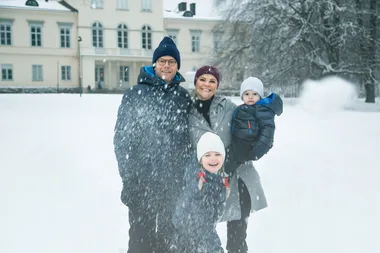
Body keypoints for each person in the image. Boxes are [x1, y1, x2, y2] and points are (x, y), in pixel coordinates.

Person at [113, 36, 192, 253]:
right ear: (155, 63)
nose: (167, 65)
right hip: (142, 184)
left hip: (173, 185)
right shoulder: (135, 95)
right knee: (140, 240)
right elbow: (123, 141)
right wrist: (129, 179)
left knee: (170, 241)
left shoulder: (183, 97)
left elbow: (189, 141)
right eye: (163, 61)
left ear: (177, 67)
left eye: (172, 62)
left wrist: (185, 178)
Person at [188, 65, 268, 253]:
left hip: (239, 179)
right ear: (195, 82)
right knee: (205, 239)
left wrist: (231, 160)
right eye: (203, 79)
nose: (207, 84)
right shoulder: (187, 114)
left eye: (212, 81)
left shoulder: (230, 108)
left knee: (237, 239)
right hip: (206, 184)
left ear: (217, 85)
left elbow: (251, 135)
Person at [173, 132, 228, 253]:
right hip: (189, 235)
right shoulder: (200, 181)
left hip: (197, 235)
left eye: (217, 154)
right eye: (207, 155)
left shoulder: (216, 177)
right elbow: (200, 218)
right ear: (200, 159)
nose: (213, 158)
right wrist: (214, 247)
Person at [231, 76, 283, 163]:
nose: (250, 97)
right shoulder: (242, 108)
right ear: (242, 96)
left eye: (254, 94)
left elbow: (268, 131)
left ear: (260, 96)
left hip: (248, 150)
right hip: (237, 148)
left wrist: (257, 150)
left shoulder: (262, 110)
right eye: (247, 94)